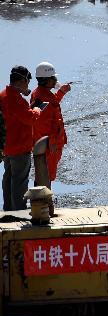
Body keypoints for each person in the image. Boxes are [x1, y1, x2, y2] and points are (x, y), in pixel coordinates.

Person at [1, 66, 41, 211]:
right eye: (27, 82)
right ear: (22, 80)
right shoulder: (15, 99)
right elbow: (30, 119)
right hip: (19, 147)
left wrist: (28, 107)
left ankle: (8, 210)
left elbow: (16, 116)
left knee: (8, 179)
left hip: (7, 147)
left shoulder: (3, 95)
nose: (28, 86)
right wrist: (36, 110)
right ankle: (18, 211)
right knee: (19, 181)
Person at [30, 62, 71, 185]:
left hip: (50, 143)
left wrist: (62, 92)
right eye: (53, 78)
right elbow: (41, 124)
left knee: (47, 173)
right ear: (45, 80)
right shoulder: (40, 96)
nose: (56, 80)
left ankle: (44, 200)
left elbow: (51, 106)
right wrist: (52, 141)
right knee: (45, 174)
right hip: (49, 144)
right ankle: (43, 202)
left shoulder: (43, 94)